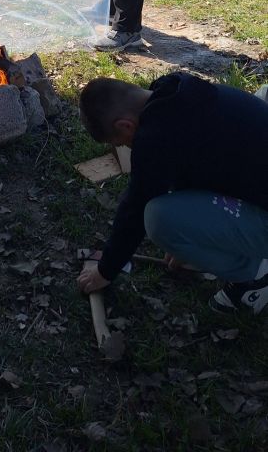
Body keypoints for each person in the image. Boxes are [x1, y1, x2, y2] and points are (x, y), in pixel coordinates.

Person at [76, 72, 268, 313]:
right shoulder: (176, 92)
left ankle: (256, 275)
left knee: (158, 218)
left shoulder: (155, 137)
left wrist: (105, 270)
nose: (127, 147)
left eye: (122, 143)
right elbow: (197, 167)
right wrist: (191, 241)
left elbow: (134, 211)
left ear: (125, 125)